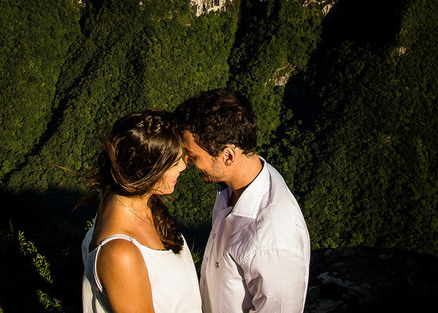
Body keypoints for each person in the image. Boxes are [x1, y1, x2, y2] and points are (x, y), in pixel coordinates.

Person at [176, 89, 310, 313]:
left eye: (193, 155)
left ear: (228, 156)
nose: (186, 161)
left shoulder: (272, 241)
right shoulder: (234, 189)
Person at [82, 110, 203, 313]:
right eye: (173, 163)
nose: (183, 166)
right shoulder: (121, 255)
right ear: (146, 170)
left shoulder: (126, 202)